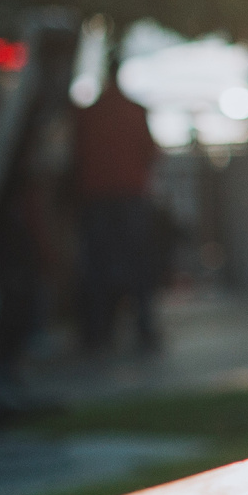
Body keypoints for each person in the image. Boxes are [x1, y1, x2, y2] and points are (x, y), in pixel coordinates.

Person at [71, 51, 162, 354]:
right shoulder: (133, 111)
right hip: (130, 196)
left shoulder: (89, 114)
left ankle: (98, 332)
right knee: (138, 265)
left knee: (97, 267)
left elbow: (77, 156)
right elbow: (150, 152)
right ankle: (144, 328)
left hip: (97, 198)